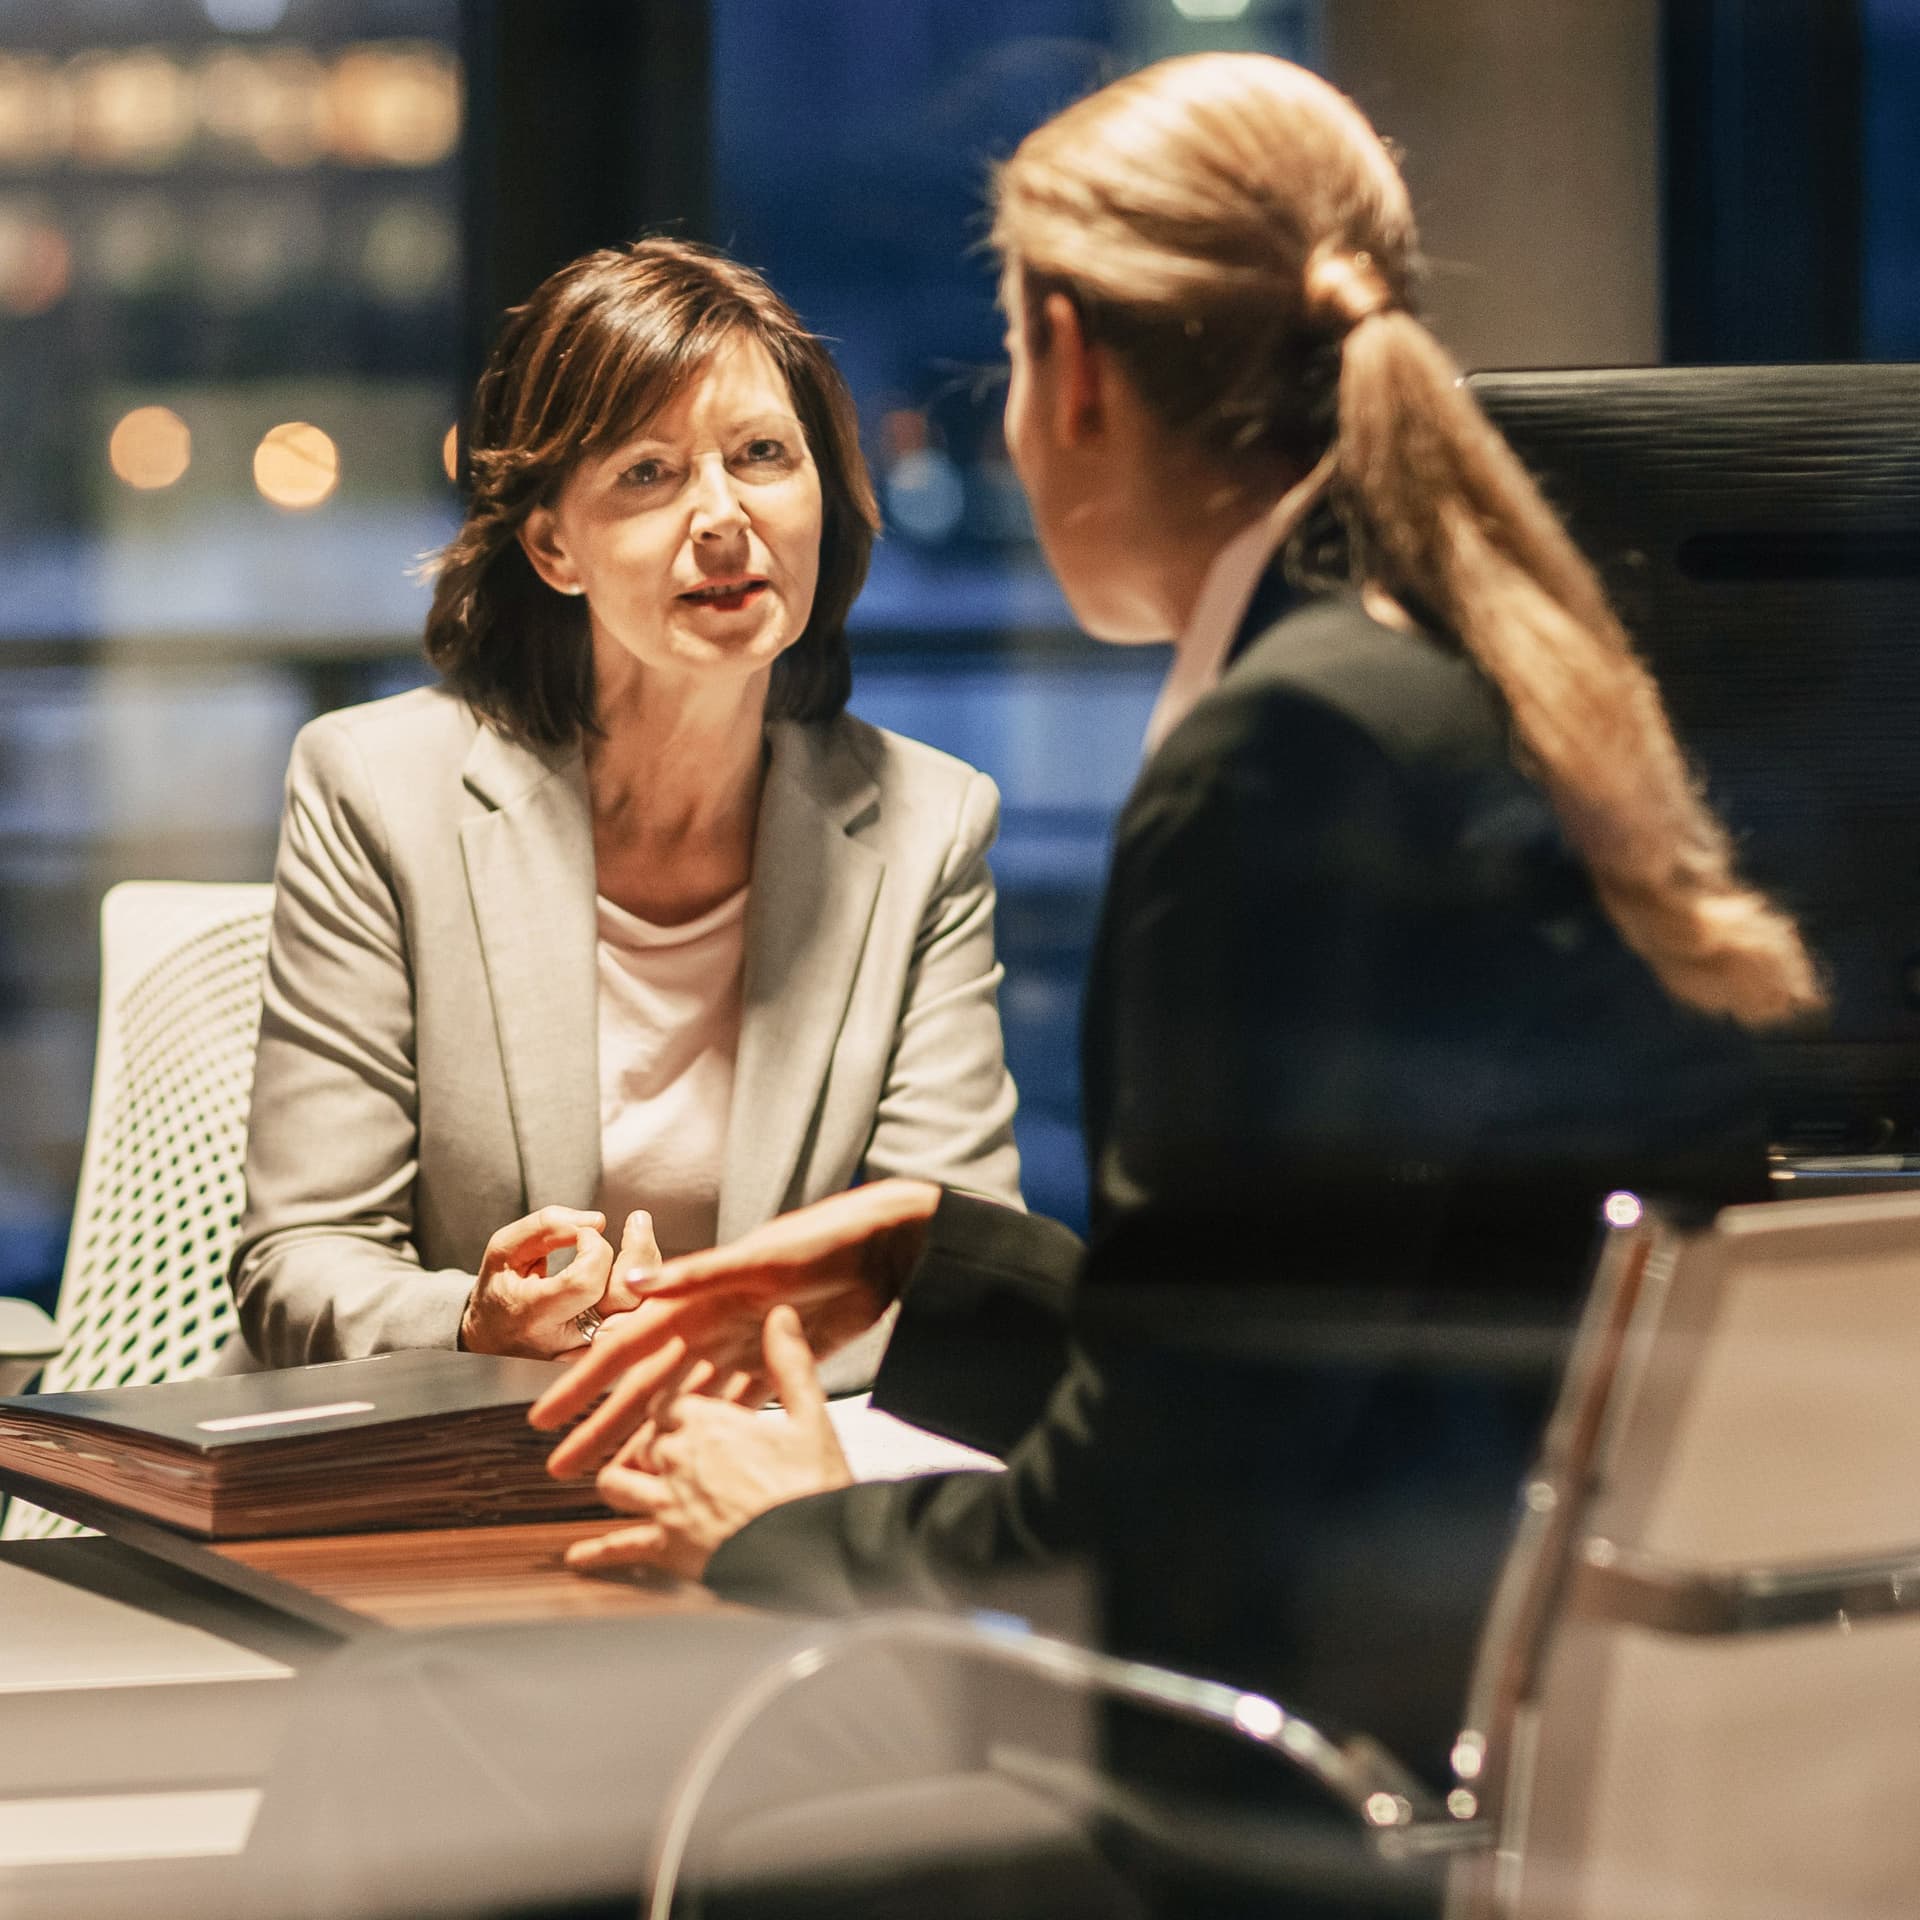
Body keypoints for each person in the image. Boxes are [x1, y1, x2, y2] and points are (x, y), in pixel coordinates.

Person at [530, 51, 1822, 1806]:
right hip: (1534, 1748)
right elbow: (1304, 1340)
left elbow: (1154, 1549)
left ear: (1068, 364)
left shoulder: (1289, 757)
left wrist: (803, 1527)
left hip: (1296, 1800)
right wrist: (936, 1254)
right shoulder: (1473, 683)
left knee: (477, 1761)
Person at [230, 238, 1021, 1376]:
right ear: (554, 542)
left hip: (755, 1476)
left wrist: (708, 1347)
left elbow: (958, 1273)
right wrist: (471, 1319)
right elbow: (299, 1260)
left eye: (761, 455)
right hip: (446, 1465)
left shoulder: (927, 825)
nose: (720, 517)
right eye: (648, 473)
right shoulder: (376, 793)